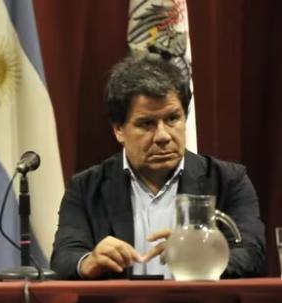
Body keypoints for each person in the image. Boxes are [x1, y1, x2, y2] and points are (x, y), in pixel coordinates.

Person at [51, 54, 266, 280]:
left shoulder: (228, 180)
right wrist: (88, 261)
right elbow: (65, 257)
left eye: (173, 118)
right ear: (119, 130)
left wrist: (200, 258)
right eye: (147, 124)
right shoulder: (86, 188)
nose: (163, 136)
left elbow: (253, 253)